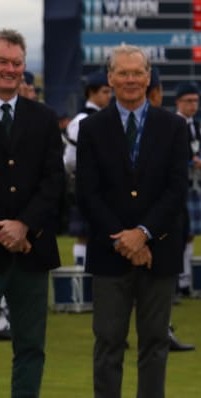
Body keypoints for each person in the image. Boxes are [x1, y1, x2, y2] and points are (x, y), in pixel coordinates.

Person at [76, 44, 189, 397]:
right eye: (122, 73)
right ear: (110, 77)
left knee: (155, 343)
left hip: (160, 250)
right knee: (108, 343)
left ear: (148, 77)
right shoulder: (91, 128)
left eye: (137, 73)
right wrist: (124, 240)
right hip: (111, 254)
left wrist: (143, 234)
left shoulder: (174, 127)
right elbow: (87, 193)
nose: (129, 80)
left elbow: (176, 189)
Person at [0, 29, 64, 397]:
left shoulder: (44, 118)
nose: (10, 69)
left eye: (16, 63)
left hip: (32, 250)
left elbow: (54, 181)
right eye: (2, 62)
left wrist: (24, 225)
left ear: (24, 66)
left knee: (30, 348)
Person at [63, 70, 111, 266]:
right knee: (84, 235)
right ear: (92, 92)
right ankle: (81, 278)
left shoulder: (108, 118)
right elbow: (69, 160)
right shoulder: (80, 121)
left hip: (106, 188)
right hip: (87, 187)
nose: (109, 96)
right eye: (105, 91)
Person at [174, 83, 201, 299]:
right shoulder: (171, 124)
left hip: (193, 185)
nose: (192, 105)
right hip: (176, 186)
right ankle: (175, 280)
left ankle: (185, 281)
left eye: (195, 101)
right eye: (188, 101)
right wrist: (188, 162)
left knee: (190, 235)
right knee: (176, 234)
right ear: (178, 102)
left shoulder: (197, 127)